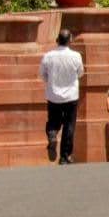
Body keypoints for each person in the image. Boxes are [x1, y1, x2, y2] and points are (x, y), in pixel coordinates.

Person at [39, 29, 85, 164]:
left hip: (53, 95)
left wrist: (52, 82)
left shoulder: (48, 56)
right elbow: (80, 73)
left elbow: (42, 75)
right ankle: (65, 156)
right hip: (71, 96)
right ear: (70, 40)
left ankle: (52, 134)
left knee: (53, 120)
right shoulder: (76, 56)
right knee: (69, 125)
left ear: (57, 40)